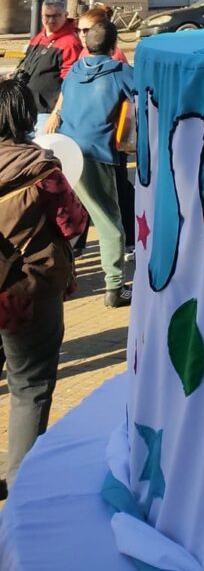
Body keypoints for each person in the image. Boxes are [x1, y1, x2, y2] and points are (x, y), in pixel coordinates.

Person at [0, 74, 88, 493]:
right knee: (29, 386)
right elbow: (74, 223)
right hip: (29, 294)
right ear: (23, 116)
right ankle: (21, 485)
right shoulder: (42, 169)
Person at [55, 20, 132, 308]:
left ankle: (61, 278)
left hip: (66, 150)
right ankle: (114, 287)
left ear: (87, 44)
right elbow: (152, 94)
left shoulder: (75, 69)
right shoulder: (120, 72)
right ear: (114, 47)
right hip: (96, 153)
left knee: (66, 219)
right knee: (109, 222)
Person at [15, 0, 83, 116]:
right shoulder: (40, 37)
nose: (51, 20)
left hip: (46, 112)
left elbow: (70, 83)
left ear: (65, 15)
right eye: (47, 16)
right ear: (41, 16)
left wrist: (57, 112)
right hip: (28, 107)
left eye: (56, 16)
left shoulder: (70, 43)